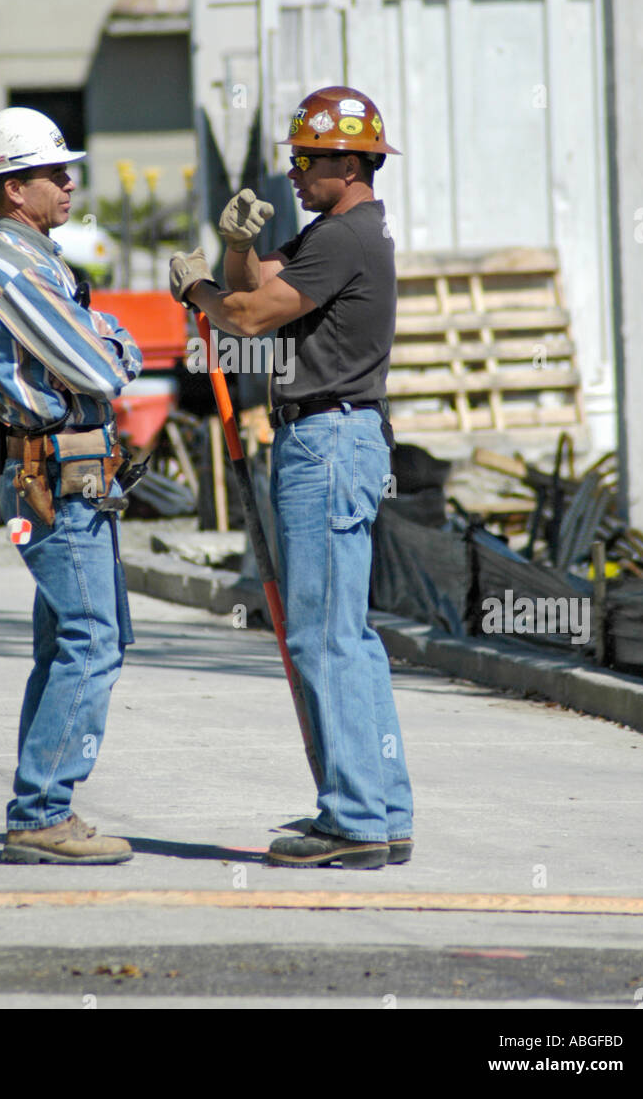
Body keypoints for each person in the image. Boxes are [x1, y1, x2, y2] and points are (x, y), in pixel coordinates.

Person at [170, 86, 413, 868]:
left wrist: (195, 290)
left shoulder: (345, 239)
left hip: (327, 442)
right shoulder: (341, 234)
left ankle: (353, 821)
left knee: (320, 635)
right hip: (343, 438)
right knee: (351, 636)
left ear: (352, 161)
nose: (298, 172)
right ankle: (383, 806)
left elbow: (243, 316)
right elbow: (254, 282)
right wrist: (235, 248)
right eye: (296, 159)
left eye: (309, 160)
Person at [0, 108, 143, 865]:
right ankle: (41, 809)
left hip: (74, 477)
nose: (68, 183)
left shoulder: (46, 267)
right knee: (91, 641)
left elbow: (107, 348)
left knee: (73, 641)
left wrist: (99, 332)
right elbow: (110, 367)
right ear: (11, 190)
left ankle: (40, 803)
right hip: (55, 481)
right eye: (51, 174)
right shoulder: (15, 275)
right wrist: (105, 335)